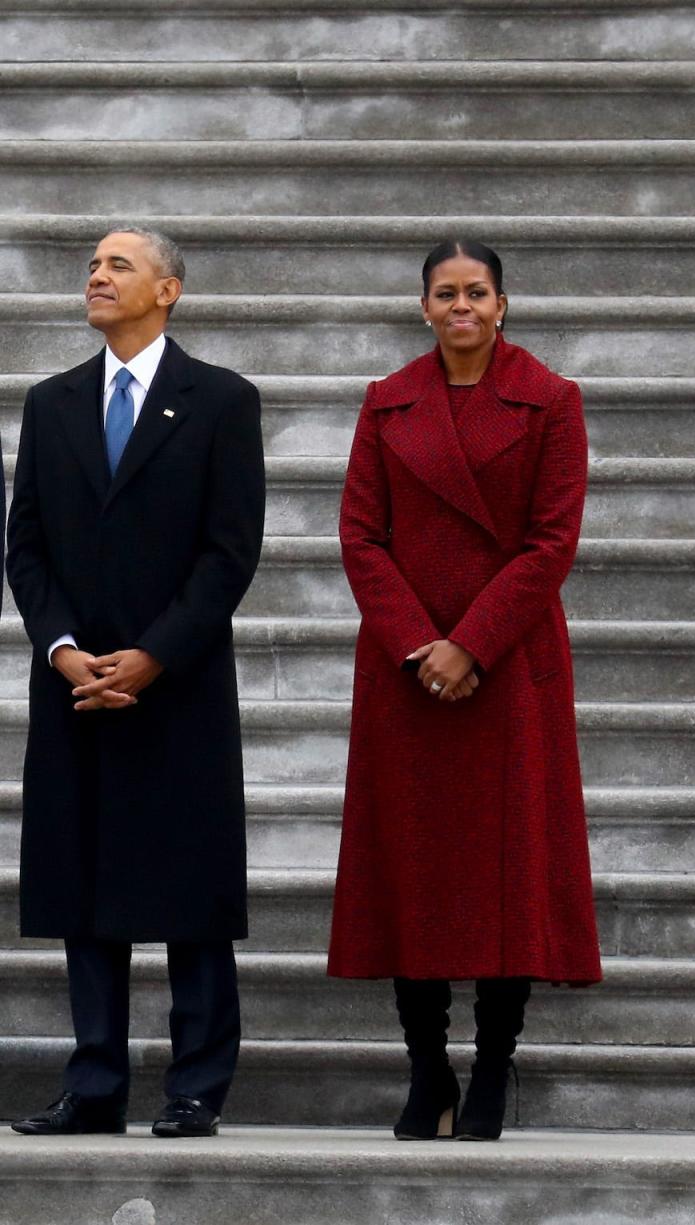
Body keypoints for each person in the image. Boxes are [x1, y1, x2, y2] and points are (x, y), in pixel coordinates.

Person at [328, 239, 602, 1141]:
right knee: (413, 868)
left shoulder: (552, 400)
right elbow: (361, 536)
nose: (461, 306)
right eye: (445, 293)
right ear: (423, 307)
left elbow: (550, 543)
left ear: (501, 304)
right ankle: (425, 1069)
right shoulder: (385, 402)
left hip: (508, 665)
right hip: (408, 673)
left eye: (475, 292)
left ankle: (491, 1067)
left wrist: (472, 643)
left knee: (507, 873)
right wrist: (419, 644)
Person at [7, 227, 265, 1138]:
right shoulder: (53, 402)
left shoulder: (222, 401)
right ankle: (95, 1082)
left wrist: (155, 655)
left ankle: (197, 1083)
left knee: (190, 889)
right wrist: (63, 646)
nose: (98, 276)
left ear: (171, 290)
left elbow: (229, 552)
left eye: (119, 264)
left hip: (179, 684)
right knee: (86, 889)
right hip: (77, 686)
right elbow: (26, 547)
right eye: (92, 265)